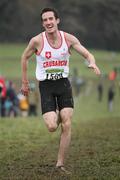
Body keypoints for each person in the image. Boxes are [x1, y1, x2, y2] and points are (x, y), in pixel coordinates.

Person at [20, 7, 101, 172]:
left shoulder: (68, 39)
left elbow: (87, 54)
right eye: (45, 20)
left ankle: (60, 164)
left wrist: (92, 62)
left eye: (51, 19)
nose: (48, 22)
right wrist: (25, 82)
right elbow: (24, 57)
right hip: (46, 86)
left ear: (57, 20)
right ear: (43, 23)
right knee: (51, 126)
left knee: (67, 123)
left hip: (63, 84)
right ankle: (54, 114)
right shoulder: (37, 41)